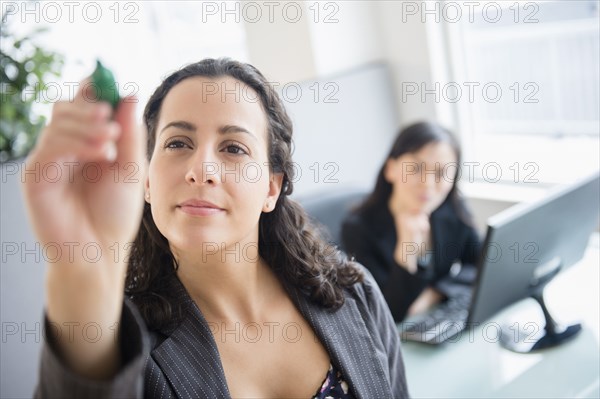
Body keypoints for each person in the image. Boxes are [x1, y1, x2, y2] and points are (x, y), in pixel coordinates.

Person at [22, 58, 409, 398]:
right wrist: (81, 267)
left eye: (234, 148)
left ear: (271, 188)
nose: (201, 170)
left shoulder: (355, 293)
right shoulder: (124, 348)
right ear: (147, 181)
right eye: (177, 143)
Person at [341, 122, 482, 323]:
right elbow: (387, 313)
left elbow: (483, 263)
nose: (428, 183)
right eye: (415, 168)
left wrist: (436, 293)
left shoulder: (452, 207)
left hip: (437, 321)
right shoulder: (358, 229)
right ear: (391, 169)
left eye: (441, 173)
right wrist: (406, 252)